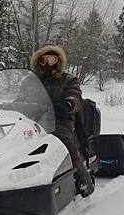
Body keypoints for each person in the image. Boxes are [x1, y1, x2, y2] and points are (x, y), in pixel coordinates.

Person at [29, 45, 94, 197]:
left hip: (61, 119)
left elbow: (75, 96)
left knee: (61, 139)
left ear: (58, 61)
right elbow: (22, 97)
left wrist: (68, 104)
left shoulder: (69, 80)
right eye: (43, 59)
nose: (47, 63)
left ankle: (84, 179)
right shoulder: (31, 80)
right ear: (38, 61)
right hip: (34, 120)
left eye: (51, 59)